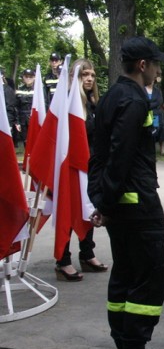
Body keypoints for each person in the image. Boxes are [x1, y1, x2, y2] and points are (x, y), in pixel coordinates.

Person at [88, 36, 164, 349]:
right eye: (155, 64)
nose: (157, 70)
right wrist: (106, 203)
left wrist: (100, 199)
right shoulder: (134, 100)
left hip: (119, 205)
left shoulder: (111, 97)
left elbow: (98, 155)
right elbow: (120, 157)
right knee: (151, 273)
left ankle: (124, 346)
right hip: (138, 206)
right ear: (142, 65)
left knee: (124, 271)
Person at [55, 59, 108, 281]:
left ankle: (87, 254)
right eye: (84, 74)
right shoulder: (66, 105)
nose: (89, 79)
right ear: (74, 77)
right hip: (72, 168)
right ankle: (63, 260)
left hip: (91, 167)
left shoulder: (95, 104)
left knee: (90, 209)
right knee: (70, 211)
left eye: (92, 75)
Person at [15, 68, 37, 147]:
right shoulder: (19, 90)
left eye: (30, 76)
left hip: (34, 117)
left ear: (34, 77)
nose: (28, 78)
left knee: (35, 140)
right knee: (25, 140)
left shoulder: (38, 90)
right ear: (23, 77)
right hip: (22, 119)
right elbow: (16, 107)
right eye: (26, 76)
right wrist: (17, 122)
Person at [146, 77, 164, 156]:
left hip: (156, 114)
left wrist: (149, 105)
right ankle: (151, 148)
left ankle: (162, 148)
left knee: (158, 129)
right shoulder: (142, 90)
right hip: (146, 114)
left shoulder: (157, 91)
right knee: (149, 131)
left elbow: (160, 101)